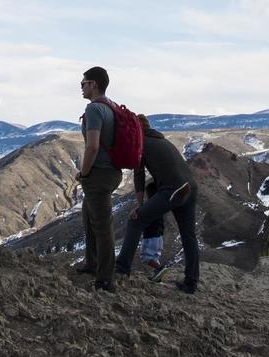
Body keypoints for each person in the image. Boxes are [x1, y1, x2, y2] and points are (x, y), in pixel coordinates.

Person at [115, 115, 199, 294]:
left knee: (136, 221)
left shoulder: (141, 143)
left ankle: (121, 269)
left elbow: (138, 176)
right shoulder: (162, 140)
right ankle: (191, 283)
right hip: (190, 187)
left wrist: (139, 205)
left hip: (173, 189)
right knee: (188, 236)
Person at [73, 66, 123, 291]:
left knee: (102, 227)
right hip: (111, 172)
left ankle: (105, 279)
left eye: (83, 83)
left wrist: (83, 173)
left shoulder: (94, 109)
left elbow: (92, 146)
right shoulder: (111, 106)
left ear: (93, 84)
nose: (81, 87)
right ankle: (92, 263)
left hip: (99, 174)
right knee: (88, 215)